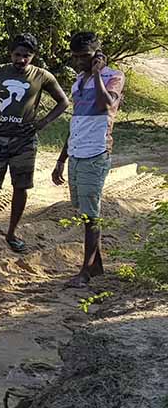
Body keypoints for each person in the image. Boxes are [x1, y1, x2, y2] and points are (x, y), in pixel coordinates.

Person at [0, 34, 69, 251]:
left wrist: (42, 122)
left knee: (20, 186)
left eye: (26, 56)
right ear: (11, 53)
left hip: (24, 140)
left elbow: (63, 102)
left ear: (33, 56)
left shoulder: (42, 76)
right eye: (18, 55)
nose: (21, 60)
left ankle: (12, 232)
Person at [52, 31, 124, 287]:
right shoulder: (78, 80)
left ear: (98, 55)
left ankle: (84, 272)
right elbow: (77, 122)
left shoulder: (112, 76)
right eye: (76, 57)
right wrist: (62, 158)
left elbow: (107, 105)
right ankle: (96, 267)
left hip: (96, 153)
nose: (79, 61)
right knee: (83, 213)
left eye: (85, 56)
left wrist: (96, 74)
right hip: (76, 153)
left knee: (91, 216)